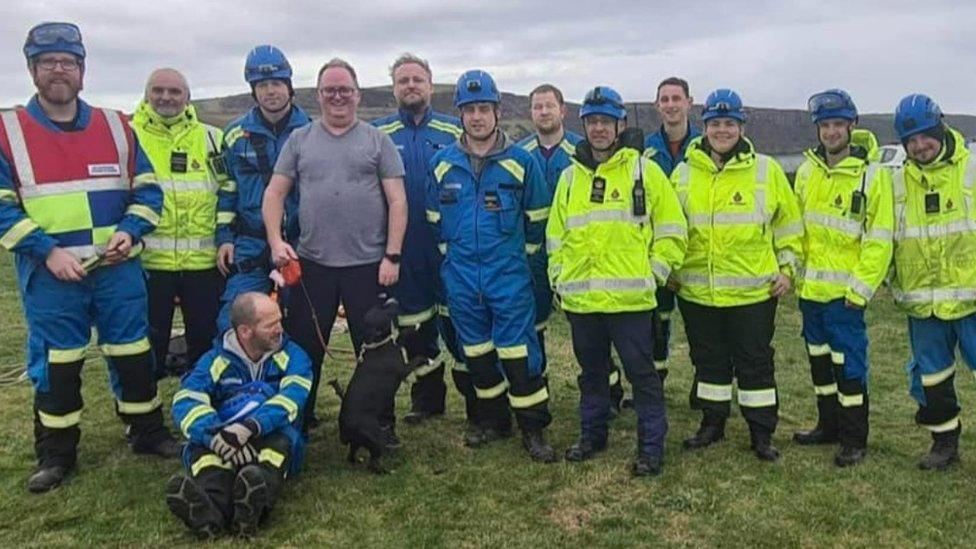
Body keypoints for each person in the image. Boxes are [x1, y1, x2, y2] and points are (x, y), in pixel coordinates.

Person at [0, 22, 181, 493]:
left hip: (116, 268)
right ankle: (56, 453)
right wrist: (47, 251)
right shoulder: (8, 131)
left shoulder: (116, 126)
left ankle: (146, 432)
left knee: (133, 349)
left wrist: (130, 230)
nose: (59, 71)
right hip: (53, 272)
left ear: (82, 71)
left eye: (68, 63)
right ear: (33, 70)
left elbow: (148, 192)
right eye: (48, 63)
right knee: (58, 361)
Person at [264, 58, 407, 440]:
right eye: (330, 90)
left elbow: (397, 201)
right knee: (304, 349)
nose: (338, 96)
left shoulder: (378, 140)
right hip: (313, 266)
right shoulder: (300, 140)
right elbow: (275, 193)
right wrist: (277, 242)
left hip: (368, 265)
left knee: (375, 351)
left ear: (357, 95)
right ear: (319, 95)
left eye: (345, 89)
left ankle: (380, 422)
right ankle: (299, 420)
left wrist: (392, 255)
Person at [546, 86, 687, 476]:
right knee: (592, 376)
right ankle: (592, 436)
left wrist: (655, 273)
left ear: (620, 125)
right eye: (592, 122)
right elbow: (556, 236)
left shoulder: (646, 171)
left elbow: (673, 230)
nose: (598, 129)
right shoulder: (570, 178)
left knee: (642, 377)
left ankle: (651, 447)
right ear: (584, 126)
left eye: (606, 122)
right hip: (583, 303)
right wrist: (558, 277)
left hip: (631, 303)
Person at [425, 69, 556, 461]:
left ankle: (533, 429)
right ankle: (494, 421)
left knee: (520, 355)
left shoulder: (521, 162)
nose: (477, 117)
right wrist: (453, 264)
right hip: (462, 278)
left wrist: (525, 270)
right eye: (469, 109)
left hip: (508, 277)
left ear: (497, 112)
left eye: (484, 108)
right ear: (460, 114)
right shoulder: (442, 164)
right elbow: (434, 221)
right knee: (477, 355)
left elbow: (537, 221)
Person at [671, 89, 803, 461]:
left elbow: (788, 225)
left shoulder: (767, 170)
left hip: (752, 294)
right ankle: (712, 423)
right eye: (715, 123)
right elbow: (668, 227)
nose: (722, 130)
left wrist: (788, 268)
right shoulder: (682, 173)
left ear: (742, 127)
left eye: (730, 124)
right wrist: (670, 270)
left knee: (755, 363)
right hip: (698, 291)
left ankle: (761, 433)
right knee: (708, 362)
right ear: (705, 127)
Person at [792, 89, 893, 467]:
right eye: (825, 125)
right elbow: (797, 229)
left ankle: (854, 438)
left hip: (846, 297)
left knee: (849, 368)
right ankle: (827, 425)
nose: (832, 132)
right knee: (820, 365)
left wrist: (861, 290)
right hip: (811, 293)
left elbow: (879, 238)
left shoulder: (872, 176)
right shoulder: (806, 172)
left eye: (838, 124)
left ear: (852, 126)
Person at [167, 292, 313, 538]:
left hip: (269, 434)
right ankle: (214, 512)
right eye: (271, 325)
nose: (280, 329)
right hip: (223, 436)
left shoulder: (294, 356)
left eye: (279, 321)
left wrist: (249, 427)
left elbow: (292, 398)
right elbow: (186, 400)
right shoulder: (214, 360)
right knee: (205, 454)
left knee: (277, 447)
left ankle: (246, 508)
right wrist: (215, 436)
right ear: (245, 331)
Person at [371, 53, 466, 425]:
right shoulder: (377, 135)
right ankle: (427, 400)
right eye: (402, 80)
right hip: (403, 249)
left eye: (417, 79)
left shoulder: (454, 131)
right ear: (393, 88)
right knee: (413, 327)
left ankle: (480, 404)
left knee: (460, 324)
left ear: (430, 85)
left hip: (448, 246)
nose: (410, 85)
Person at [890, 93, 976, 470]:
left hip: (971, 298)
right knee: (933, 377)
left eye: (926, 136)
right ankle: (944, 443)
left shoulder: (971, 170)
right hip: (922, 302)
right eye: (911, 140)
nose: (920, 146)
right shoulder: (894, 182)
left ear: (940, 128)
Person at [131, 68, 229, 378]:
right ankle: (145, 416)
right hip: (149, 262)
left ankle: (203, 405)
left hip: (202, 263)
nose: (166, 97)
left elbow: (228, 190)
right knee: (146, 345)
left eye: (174, 92)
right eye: (158, 90)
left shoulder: (213, 138)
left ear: (187, 97)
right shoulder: (127, 136)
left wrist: (225, 236)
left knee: (204, 342)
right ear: (147, 94)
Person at [215, 46, 310, 334]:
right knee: (234, 322)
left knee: (299, 325)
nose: (271, 91)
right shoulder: (234, 135)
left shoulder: (310, 132)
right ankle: (238, 379)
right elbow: (227, 189)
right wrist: (224, 238)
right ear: (253, 91)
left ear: (289, 87)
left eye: (277, 83)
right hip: (250, 244)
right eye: (263, 85)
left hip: (299, 243)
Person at [643, 77, 701, 381]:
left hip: (699, 253)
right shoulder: (644, 149)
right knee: (656, 324)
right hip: (659, 252)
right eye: (664, 99)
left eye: (676, 99)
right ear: (657, 106)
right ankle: (655, 383)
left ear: (689, 103)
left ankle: (705, 385)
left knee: (702, 328)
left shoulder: (706, 145)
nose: (670, 105)